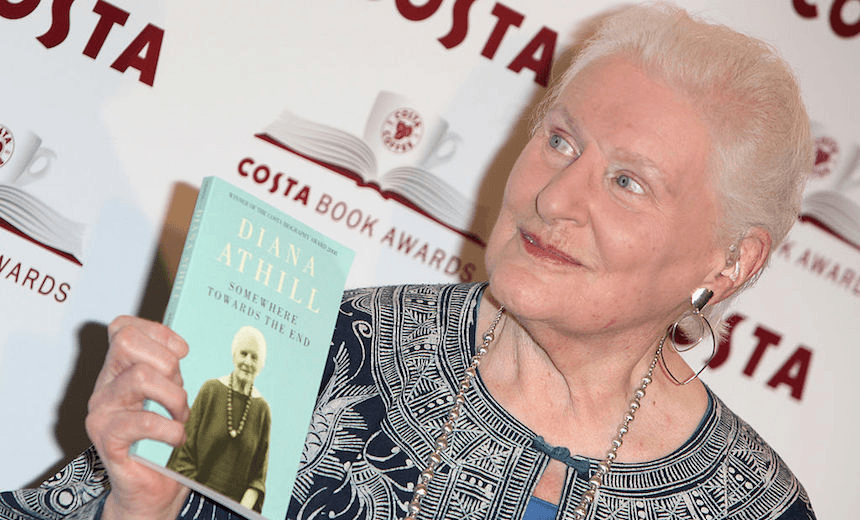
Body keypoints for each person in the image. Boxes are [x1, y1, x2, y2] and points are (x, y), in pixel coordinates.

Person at [0, 3, 816, 519]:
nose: (555, 197)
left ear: (729, 261)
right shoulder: (325, 353)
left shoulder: (756, 506)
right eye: (559, 139)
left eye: (628, 181)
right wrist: (140, 508)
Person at [165, 325, 271, 513]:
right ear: (234, 355)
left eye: (254, 357)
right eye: (243, 353)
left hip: (232, 512)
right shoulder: (211, 390)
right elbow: (184, 454)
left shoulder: (262, 410)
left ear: (261, 365)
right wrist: (200, 507)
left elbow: (258, 479)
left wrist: (235, 511)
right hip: (192, 501)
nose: (247, 361)